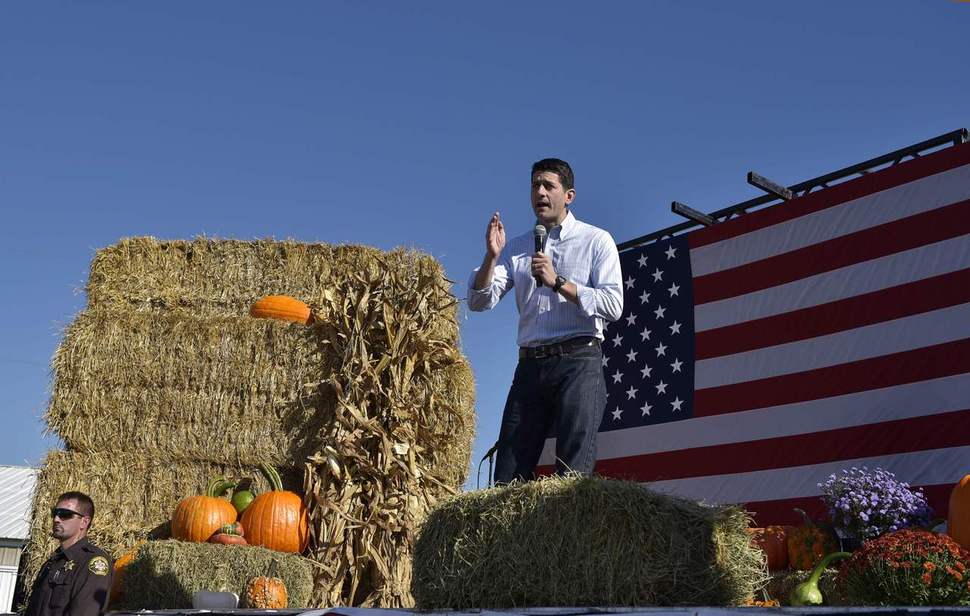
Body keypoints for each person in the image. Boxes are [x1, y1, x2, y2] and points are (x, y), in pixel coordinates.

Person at [468, 158, 623, 483]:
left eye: (548, 185)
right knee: (507, 477)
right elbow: (479, 301)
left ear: (569, 195)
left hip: (579, 361)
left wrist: (558, 282)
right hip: (530, 367)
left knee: (570, 478)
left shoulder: (596, 240)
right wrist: (491, 257)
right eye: (535, 185)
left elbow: (613, 305)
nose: (540, 191)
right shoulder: (518, 247)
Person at [26, 492, 113, 616]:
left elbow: (85, 612)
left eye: (65, 515)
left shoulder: (93, 562)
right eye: (55, 513)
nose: (56, 519)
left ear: (84, 522)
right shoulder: (52, 562)